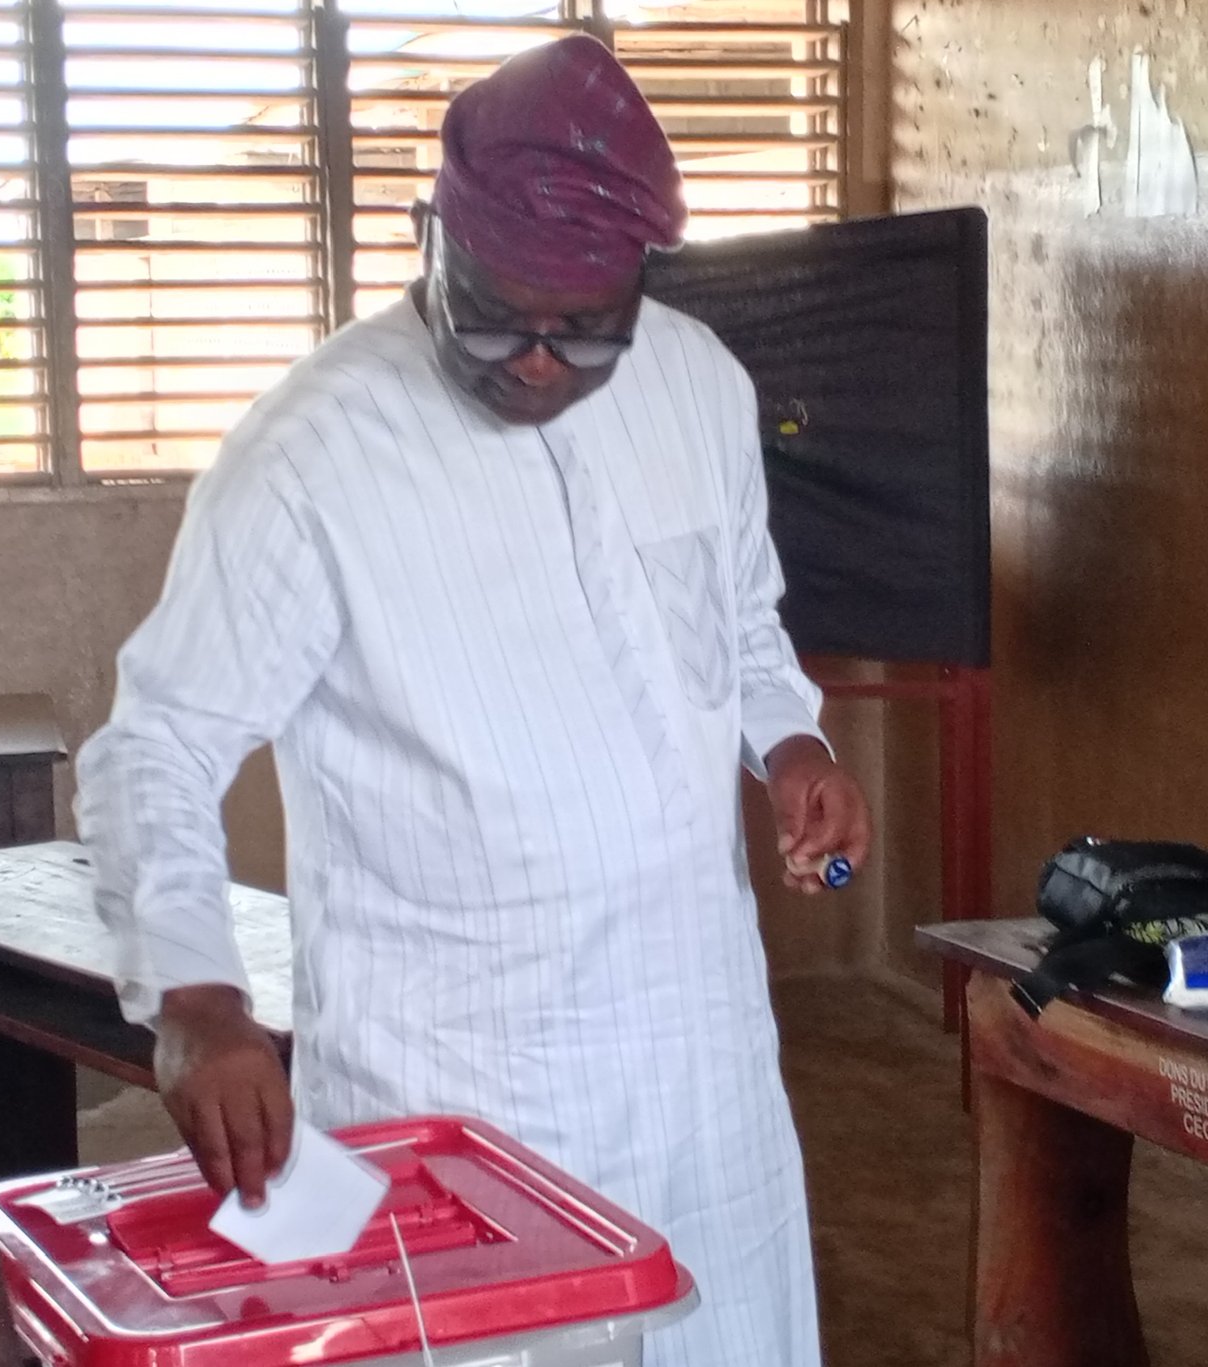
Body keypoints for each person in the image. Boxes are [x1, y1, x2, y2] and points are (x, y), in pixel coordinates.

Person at [76, 33, 871, 1367]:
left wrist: (792, 742)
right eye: (499, 312)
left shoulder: (697, 386)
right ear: (429, 236)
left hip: (698, 1064)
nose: (543, 362)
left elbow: (740, 625)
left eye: (587, 324)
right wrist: (198, 1007)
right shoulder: (310, 454)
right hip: (463, 1083)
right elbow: (155, 744)